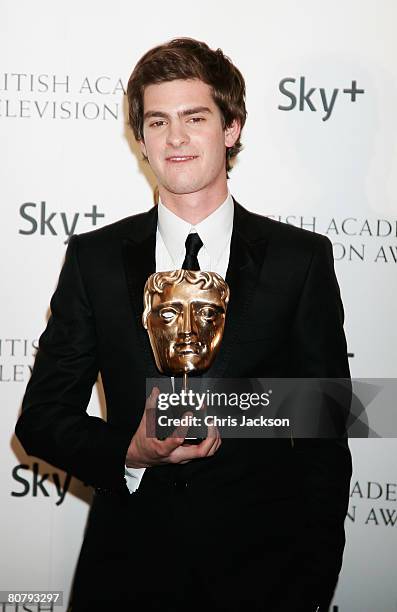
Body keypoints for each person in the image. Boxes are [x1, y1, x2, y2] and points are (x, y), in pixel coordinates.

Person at [15, 38, 352, 612]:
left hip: (265, 580)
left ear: (231, 128)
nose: (175, 137)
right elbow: (42, 420)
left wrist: (312, 584)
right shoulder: (94, 260)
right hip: (126, 575)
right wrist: (132, 450)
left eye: (195, 118)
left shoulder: (301, 259)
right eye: (157, 121)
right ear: (140, 139)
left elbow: (326, 426)